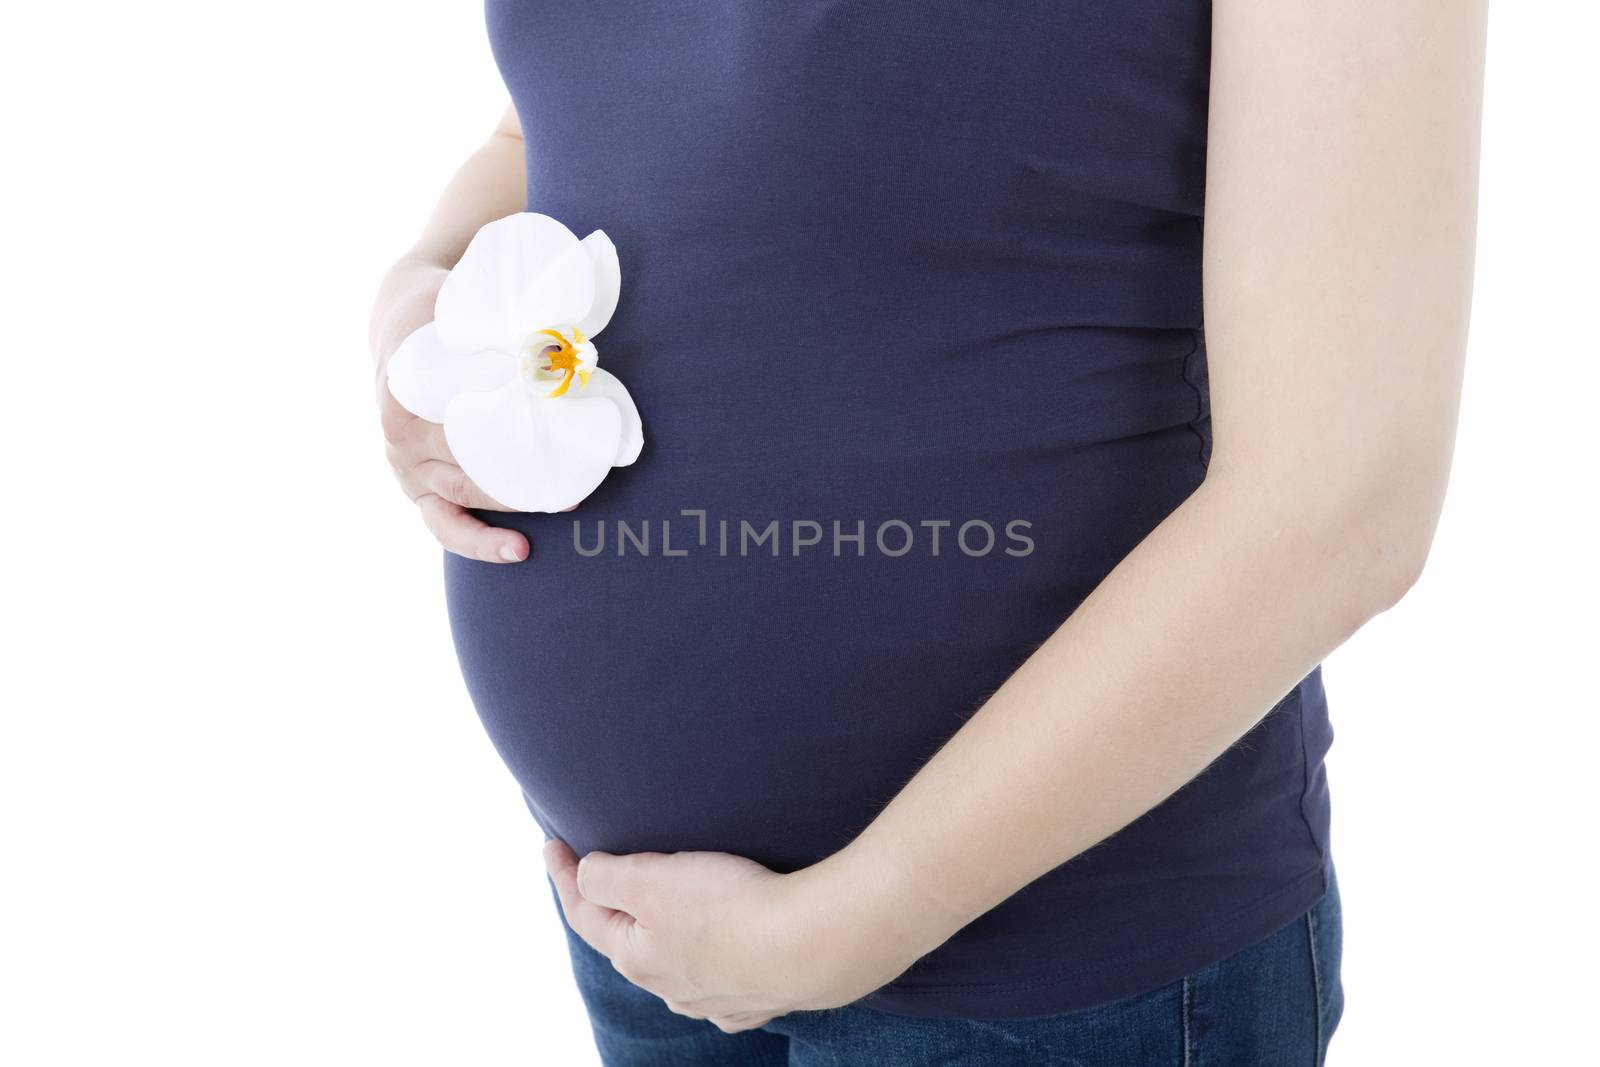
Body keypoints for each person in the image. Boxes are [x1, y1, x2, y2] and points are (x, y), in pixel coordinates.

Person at [368, 2, 1487, 1063]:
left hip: (1057, 976)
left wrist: (858, 915)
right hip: (641, 933)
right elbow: (553, 117)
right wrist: (427, 280)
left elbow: (1342, 503)